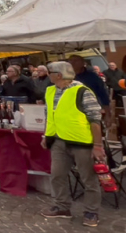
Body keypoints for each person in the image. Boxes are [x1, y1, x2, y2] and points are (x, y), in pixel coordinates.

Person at [40, 61, 104, 228]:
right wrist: (46, 136)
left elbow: (95, 119)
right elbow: (50, 116)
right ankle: (62, 207)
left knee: (88, 179)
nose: (48, 75)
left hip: (82, 142)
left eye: (50, 72)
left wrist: (97, 145)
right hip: (59, 140)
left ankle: (91, 211)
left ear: (58, 75)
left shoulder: (82, 91)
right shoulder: (50, 91)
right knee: (57, 175)